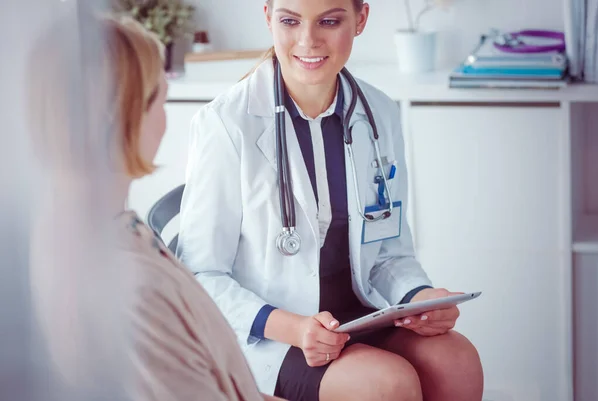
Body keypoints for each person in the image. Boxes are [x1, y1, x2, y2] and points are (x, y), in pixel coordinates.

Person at [177, 1, 485, 400]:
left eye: (329, 20)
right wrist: (292, 327)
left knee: (456, 360)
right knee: (386, 385)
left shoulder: (380, 114)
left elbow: (389, 252)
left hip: (360, 314)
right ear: (268, 17)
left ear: (360, 20)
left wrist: (419, 299)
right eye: (290, 20)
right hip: (270, 332)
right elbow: (200, 276)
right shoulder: (226, 124)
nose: (308, 40)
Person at [28, 11, 284, 401]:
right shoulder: (128, 293)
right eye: (159, 100)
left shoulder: (106, 225)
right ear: (125, 116)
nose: (164, 121)